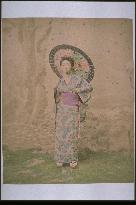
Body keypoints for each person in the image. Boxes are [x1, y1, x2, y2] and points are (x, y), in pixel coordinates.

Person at [54, 57, 93, 168]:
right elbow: (57, 95)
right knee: (61, 134)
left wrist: (78, 90)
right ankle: (61, 158)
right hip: (61, 110)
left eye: (67, 64)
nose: (65, 66)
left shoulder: (77, 78)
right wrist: (57, 95)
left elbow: (89, 87)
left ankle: (72, 159)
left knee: (71, 134)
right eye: (63, 65)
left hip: (72, 110)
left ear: (71, 66)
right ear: (61, 67)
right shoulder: (60, 80)